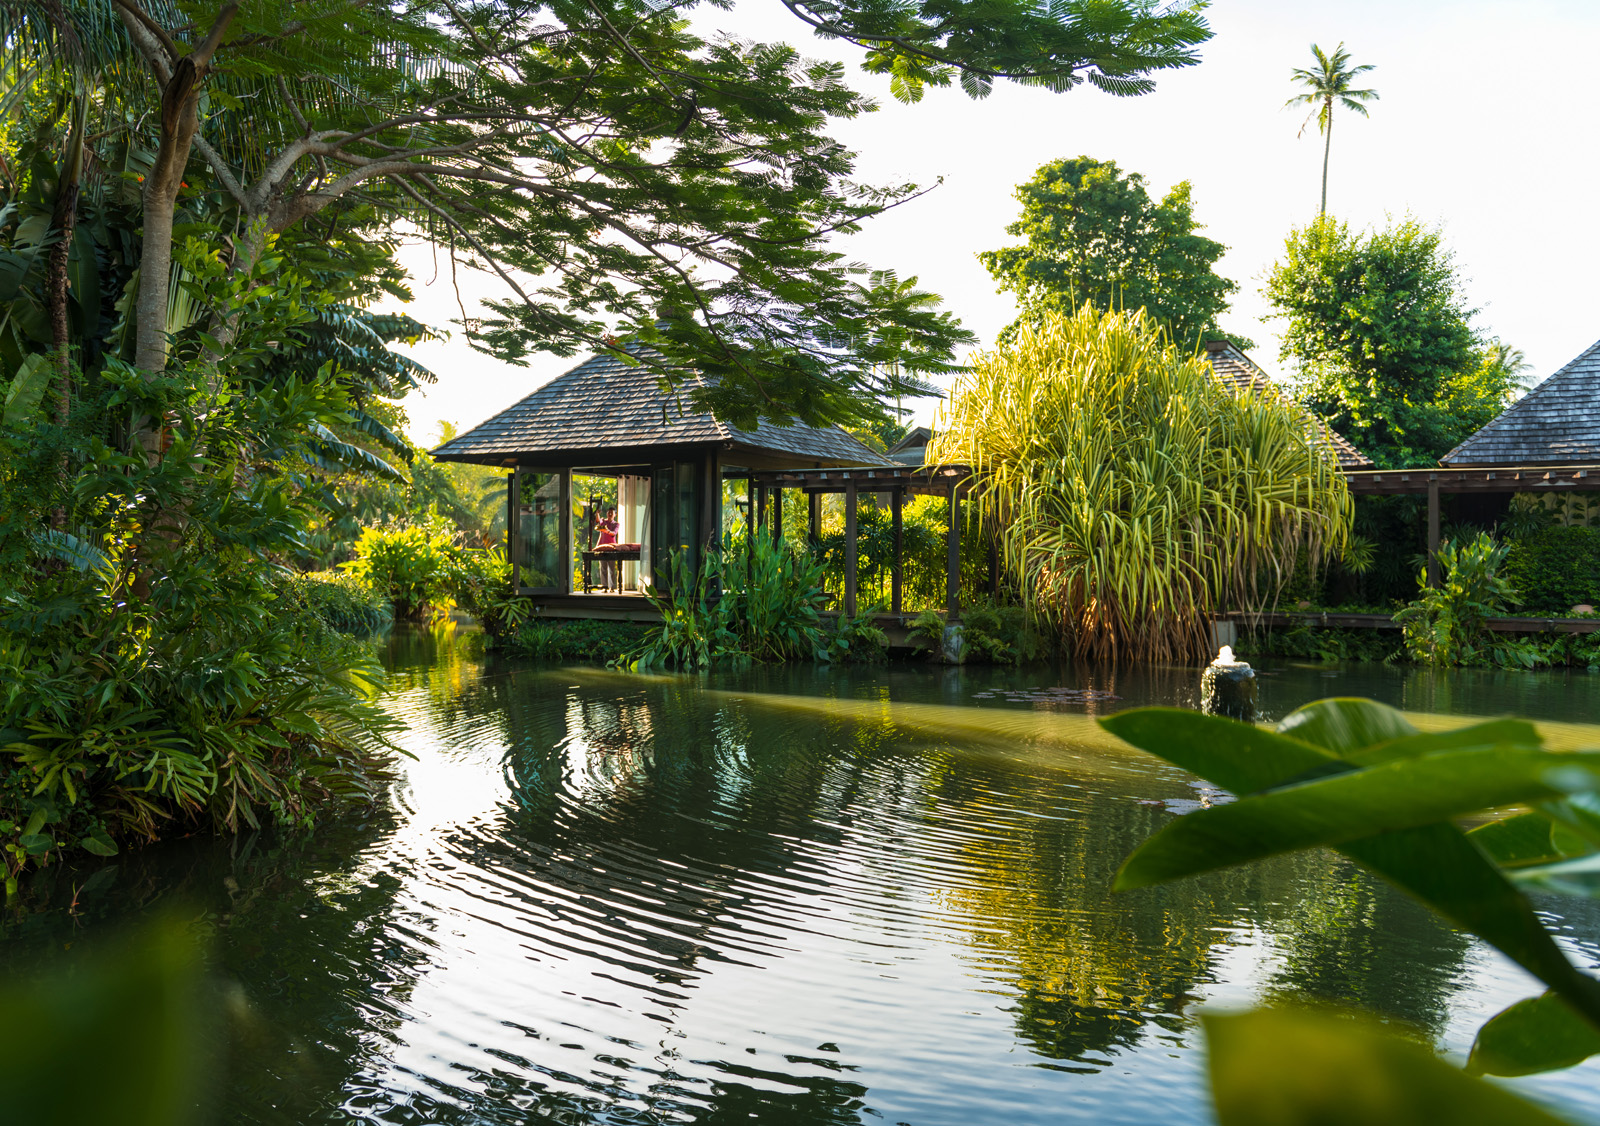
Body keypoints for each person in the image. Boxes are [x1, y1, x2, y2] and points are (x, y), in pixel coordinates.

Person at [596, 506, 619, 591]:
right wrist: (597, 513)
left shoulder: (616, 524)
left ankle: (612, 587)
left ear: (615, 515)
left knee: (612, 569)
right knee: (603, 568)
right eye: (608, 512)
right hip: (602, 547)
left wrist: (607, 530)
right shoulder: (603, 521)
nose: (609, 514)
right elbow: (598, 521)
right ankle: (604, 587)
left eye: (611, 513)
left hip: (612, 548)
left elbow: (614, 533)